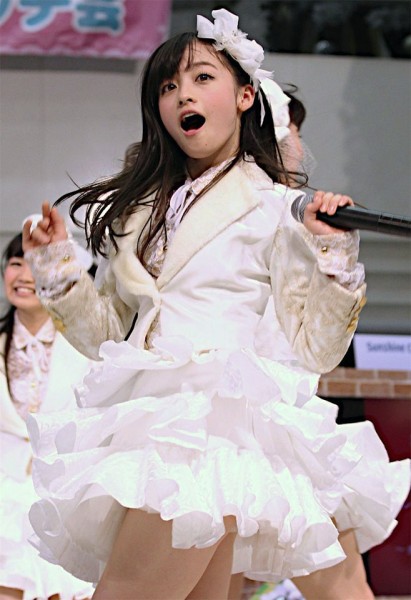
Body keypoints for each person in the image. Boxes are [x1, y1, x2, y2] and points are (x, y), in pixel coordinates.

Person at [22, 8, 409, 600]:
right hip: (148, 420)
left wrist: (333, 254)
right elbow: (107, 337)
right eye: (168, 87)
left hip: (209, 430)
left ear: (246, 96)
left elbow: (316, 349)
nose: (183, 95)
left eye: (203, 78)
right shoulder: (136, 214)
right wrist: (56, 265)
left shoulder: (276, 207)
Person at [0, 229, 95, 600]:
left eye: (35, 265)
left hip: (62, 495)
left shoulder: (88, 349)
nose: (24, 276)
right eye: (15, 263)